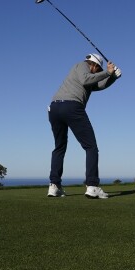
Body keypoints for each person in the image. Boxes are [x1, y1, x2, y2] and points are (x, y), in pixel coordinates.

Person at [47, 53, 121, 199]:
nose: (98, 73)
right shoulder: (82, 65)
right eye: (98, 70)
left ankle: (54, 186)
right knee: (91, 146)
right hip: (71, 107)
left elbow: (98, 85)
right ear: (94, 65)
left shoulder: (86, 75)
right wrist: (108, 72)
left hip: (55, 109)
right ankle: (92, 186)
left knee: (59, 147)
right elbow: (87, 79)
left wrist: (112, 77)